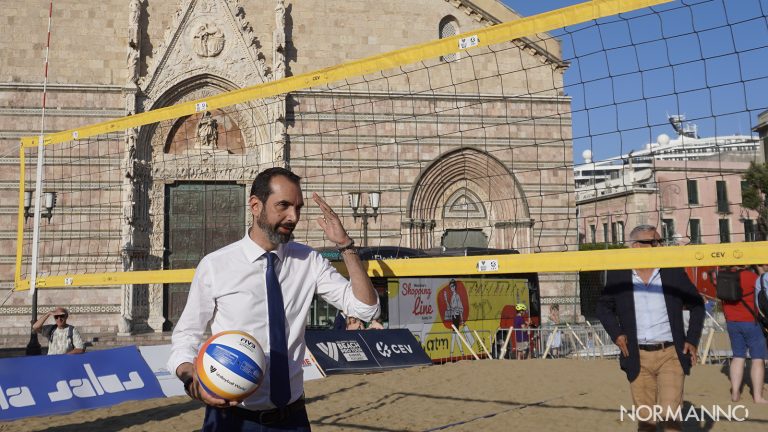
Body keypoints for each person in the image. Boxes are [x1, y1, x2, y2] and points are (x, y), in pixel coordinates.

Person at [168, 167, 379, 431]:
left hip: (291, 418)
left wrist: (346, 246)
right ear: (256, 205)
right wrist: (192, 382)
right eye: (284, 206)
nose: (293, 217)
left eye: (298, 208)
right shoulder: (215, 266)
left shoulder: (308, 261)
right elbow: (186, 336)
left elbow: (366, 309)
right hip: (230, 418)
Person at [597, 225, 704, 432]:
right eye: (653, 242)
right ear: (636, 246)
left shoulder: (672, 271)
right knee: (646, 424)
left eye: (659, 241)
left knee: (671, 420)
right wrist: (617, 334)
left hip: (671, 353)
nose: (659, 245)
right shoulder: (619, 274)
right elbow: (603, 308)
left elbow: (697, 304)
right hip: (638, 355)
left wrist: (692, 339)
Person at [721, 265, 768, 403]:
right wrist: (760, 269)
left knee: (738, 357)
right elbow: (763, 284)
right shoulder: (751, 277)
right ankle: (757, 396)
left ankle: (735, 393)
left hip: (731, 322)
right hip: (750, 322)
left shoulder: (722, 276)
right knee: (757, 359)